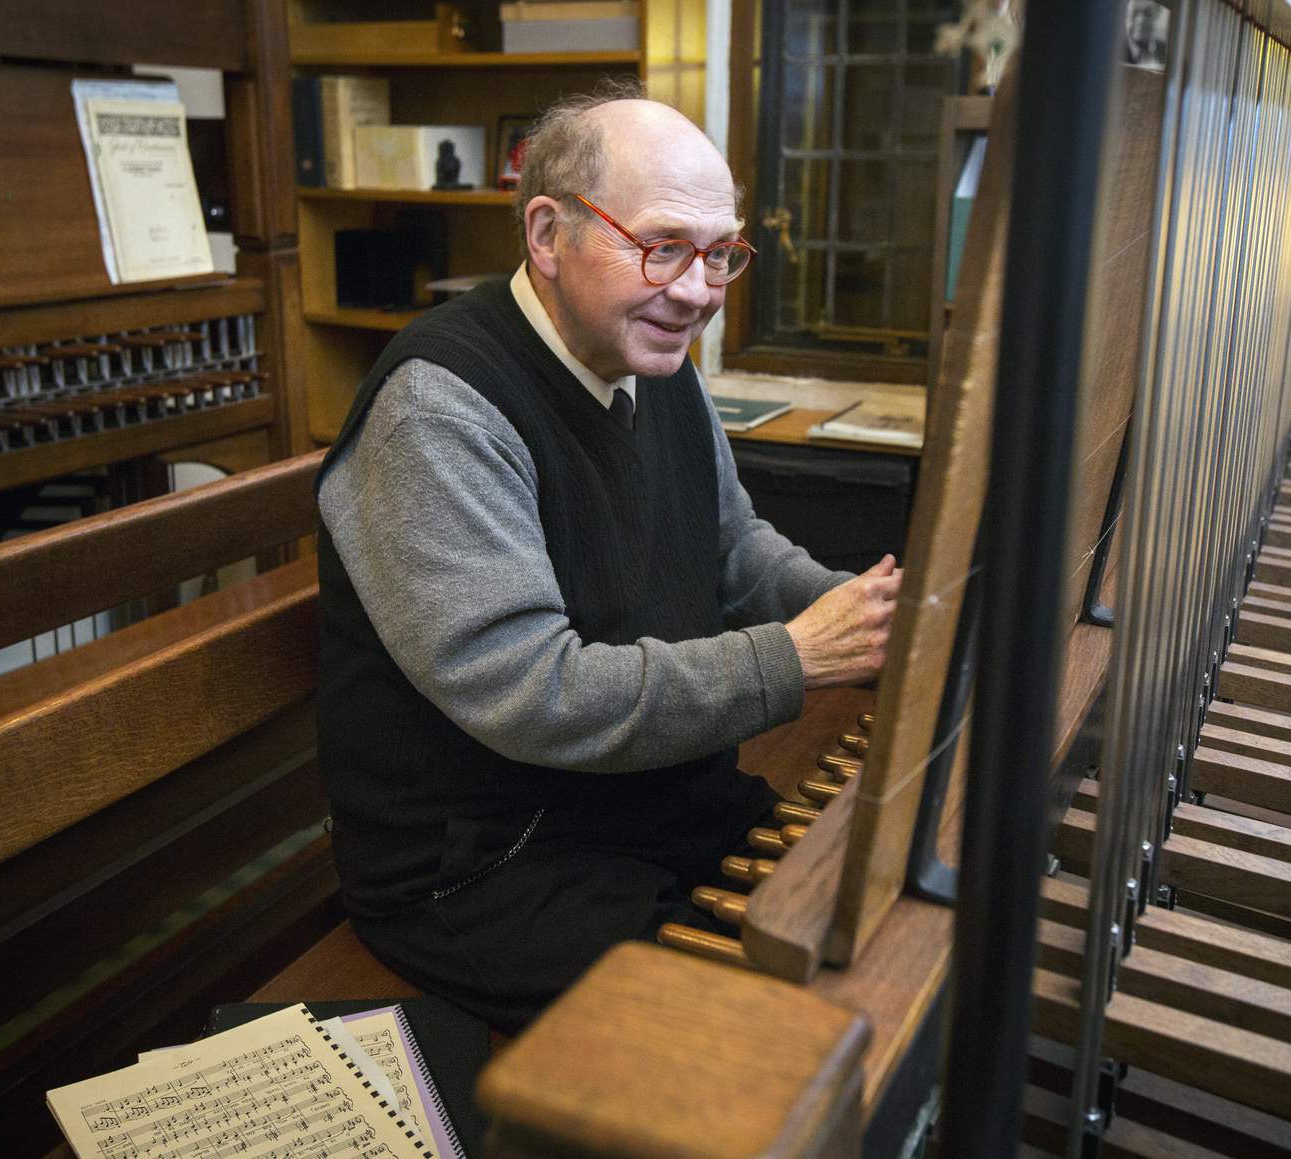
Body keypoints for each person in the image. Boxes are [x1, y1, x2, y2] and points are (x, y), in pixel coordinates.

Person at [315, 85, 903, 1031]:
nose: (699, 291)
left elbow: (734, 552)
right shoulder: (440, 406)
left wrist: (872, 614)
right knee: (756, 1029)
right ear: (548, 234)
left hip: (642, 803)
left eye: (721, 255)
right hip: (489, 862)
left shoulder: (650, 353)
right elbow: (533, 690)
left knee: (876, 912)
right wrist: (801, 657)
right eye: (664, 246)